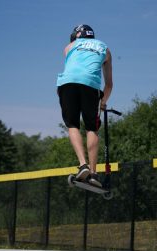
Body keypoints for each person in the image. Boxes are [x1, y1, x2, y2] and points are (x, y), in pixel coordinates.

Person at [57, 24, 113, 187]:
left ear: (76, 37)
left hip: (66, 84)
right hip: (91, 85)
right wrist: (102, 103)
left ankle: (83, 166)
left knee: (72, 124)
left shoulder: (69, 47)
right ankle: (94, 174)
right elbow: (109, 84)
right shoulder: (105, 49)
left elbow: (72, 70)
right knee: (91, 128)